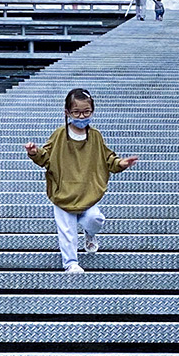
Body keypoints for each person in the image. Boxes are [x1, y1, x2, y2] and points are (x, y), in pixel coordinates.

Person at [23, 89, 137, 272]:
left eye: (86, 112)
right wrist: (35, 152)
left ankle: (90, 233)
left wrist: (121, 163)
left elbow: (108, 158)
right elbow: (46, 156)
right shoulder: (60, 134)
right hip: (63, 192)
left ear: (92, 111)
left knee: (95, 219)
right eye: (76, 112)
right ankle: (70, 263)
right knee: (67, 231)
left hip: (87, 192)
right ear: (67, 112)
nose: (81, 116)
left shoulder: (95, 136)